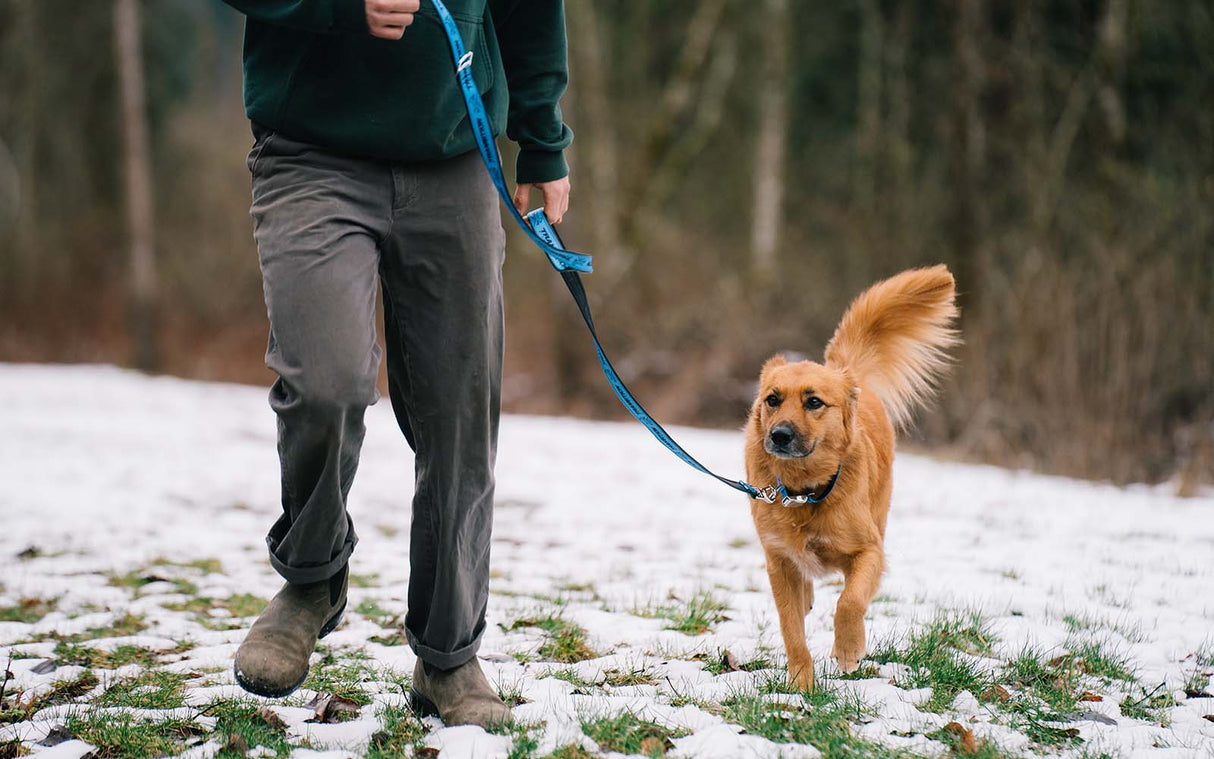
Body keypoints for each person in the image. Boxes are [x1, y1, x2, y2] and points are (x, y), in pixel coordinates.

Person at [219, 0, 573, 728]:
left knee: (460, 415)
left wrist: (542, 136)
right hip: (311, 152)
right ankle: (312, 580)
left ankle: (447, 654)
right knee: (326, 381)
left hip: (453, 154)